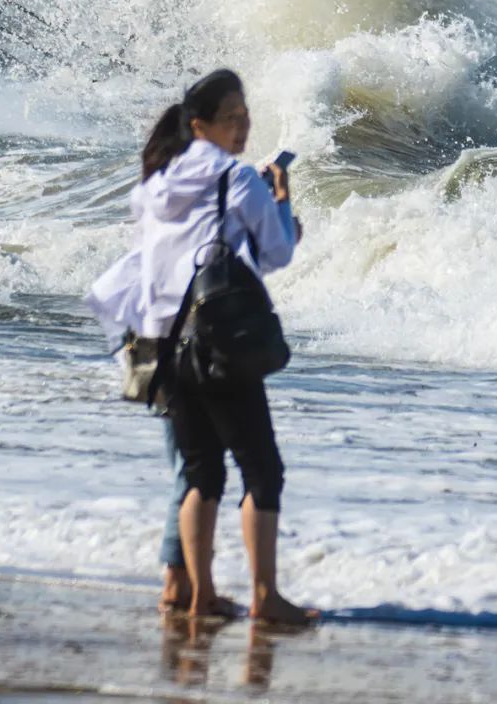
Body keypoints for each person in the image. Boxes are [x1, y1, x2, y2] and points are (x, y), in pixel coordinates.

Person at [87, 67, 318, 627]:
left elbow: (173, 260)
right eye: (232, 118)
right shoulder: (237, 181)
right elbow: (277, 253)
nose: (243, 127)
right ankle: (266, 596)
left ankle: (201, 595)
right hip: (216, 346)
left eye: (246, 116)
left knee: (200, 473)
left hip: (161, 348)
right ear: (201, 125)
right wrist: (280, 203)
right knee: (262, 471)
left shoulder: (155, 188)